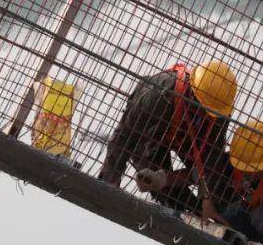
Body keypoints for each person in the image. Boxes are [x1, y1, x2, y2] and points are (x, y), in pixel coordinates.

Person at [98, 59, 238, 214]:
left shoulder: (219, 108)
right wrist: (111, 180)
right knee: (160, 187)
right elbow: (126, 134)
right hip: (154, 128)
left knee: (219, 186)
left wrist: (207, 197)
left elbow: (212, 156)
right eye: (204, 108)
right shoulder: (156, 95)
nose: (207, 112)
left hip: (188, 131)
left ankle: (208, 215)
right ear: (192, 92)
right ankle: (183, 213)